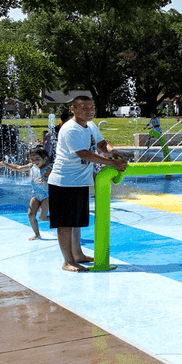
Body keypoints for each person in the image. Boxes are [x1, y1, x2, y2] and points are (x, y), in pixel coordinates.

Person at [47, 95, 127, 271]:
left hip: (79, 182)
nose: (89, 111)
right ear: (73, 110)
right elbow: (84, 154)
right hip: (64, 183)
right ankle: (67, 261)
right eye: (84, 108)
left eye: (92, 108)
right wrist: (112, 163)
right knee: (65, 223)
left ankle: (77, 254)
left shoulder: (90, 126)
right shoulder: (70, 129)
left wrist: (113, 152)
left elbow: (101, 144)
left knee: (76, 222)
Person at [0, 148, 52, 240]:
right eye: (32, 159)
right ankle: (37, 234)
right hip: (35, 194)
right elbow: (18, 168)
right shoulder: (31, 166)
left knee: (42, 218)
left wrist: (47, 181)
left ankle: (61, 221)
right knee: (30, 215)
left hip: (47, 196)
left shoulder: (48, 169)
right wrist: (5, 164)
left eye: (37, 159)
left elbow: (56, 182)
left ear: (44, 159)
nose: (34, 161)